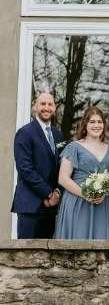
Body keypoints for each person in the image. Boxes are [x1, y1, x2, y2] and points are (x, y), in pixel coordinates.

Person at [55, 107, 109, 240]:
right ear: (85, 125)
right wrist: (86, 194)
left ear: (104, 125)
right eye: (92, 122)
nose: (96, 125)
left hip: (101, 204)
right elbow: (63, 178)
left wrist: (104, 193)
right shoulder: (74, 147)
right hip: (77, 201)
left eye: (99, 122)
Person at [12, 92, 63, 239]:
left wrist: (58, 193)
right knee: (26, 255)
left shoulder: (58, 135)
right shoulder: (25, 133)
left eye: (50, 104)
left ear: (54, 108)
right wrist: (48, 193)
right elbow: (25, 169)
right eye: (42, 104)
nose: (46, 108)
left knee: (46, 258)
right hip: (30, 206)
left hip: (51, 208)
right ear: (35, 107)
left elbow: (62, 167)